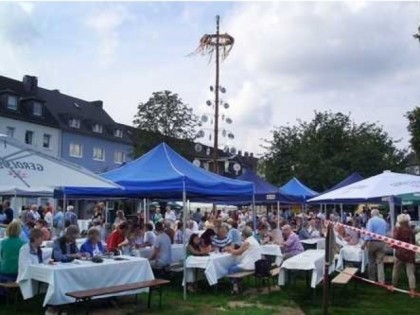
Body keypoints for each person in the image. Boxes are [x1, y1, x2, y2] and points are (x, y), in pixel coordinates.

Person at [226, 226, 262, 294]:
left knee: (231, 269)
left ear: (243, 235)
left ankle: (235, 287)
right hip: (256, 264)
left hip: (250, 265)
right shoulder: (254, 240)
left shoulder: (247, 242)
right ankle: (239, 283)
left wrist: (230, 250)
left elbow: (238, 252)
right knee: (234, 266)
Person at [391, 214, 416, 297]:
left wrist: (393, 246)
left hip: (400, 253)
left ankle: (393, 286)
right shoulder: (411, 229)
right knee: (410, 272)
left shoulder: (397, 230)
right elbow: (414, 241)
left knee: (396, 270)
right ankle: (412, 290)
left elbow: (394, 242)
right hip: (410, 252)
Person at [362, 209, 388, 284]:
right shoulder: (383, 221)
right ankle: (381, 280)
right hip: (382, 243)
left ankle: (371, 279)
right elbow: (385, 231)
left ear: (371, 214)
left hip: (372, 243)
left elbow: (369, 233)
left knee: (371, 262)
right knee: (380, 262)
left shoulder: (371, 221)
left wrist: (364, 243)